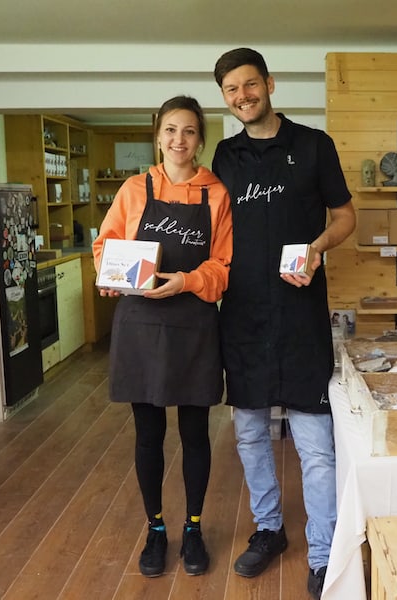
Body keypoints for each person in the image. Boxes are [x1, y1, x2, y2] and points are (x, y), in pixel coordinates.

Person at [212, 47, 356, 600]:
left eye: (250, 85)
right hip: (243, 316)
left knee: (315, 443)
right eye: (231, 90)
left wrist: (319, 247)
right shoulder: (224, 157)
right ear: (225, 97)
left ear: (269, 84)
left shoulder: (314, 145)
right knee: (249, 434)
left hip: (300, 317)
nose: (243, 96)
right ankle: (270, 530)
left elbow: (345, 215)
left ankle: (323, 552)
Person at [92, 95, 233, 578]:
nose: (179, 140)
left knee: (195, 432)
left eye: (189, 131)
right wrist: (109, 273)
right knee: (148, 433)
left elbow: (222, 265)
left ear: (200, 139)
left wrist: (187, 280)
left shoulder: (217, 193)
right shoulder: (134, 189)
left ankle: (193, 527)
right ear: (158, 135)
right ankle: (156, 528)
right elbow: (106, 244)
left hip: (193, 322)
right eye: (171, 130)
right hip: (140, 324)